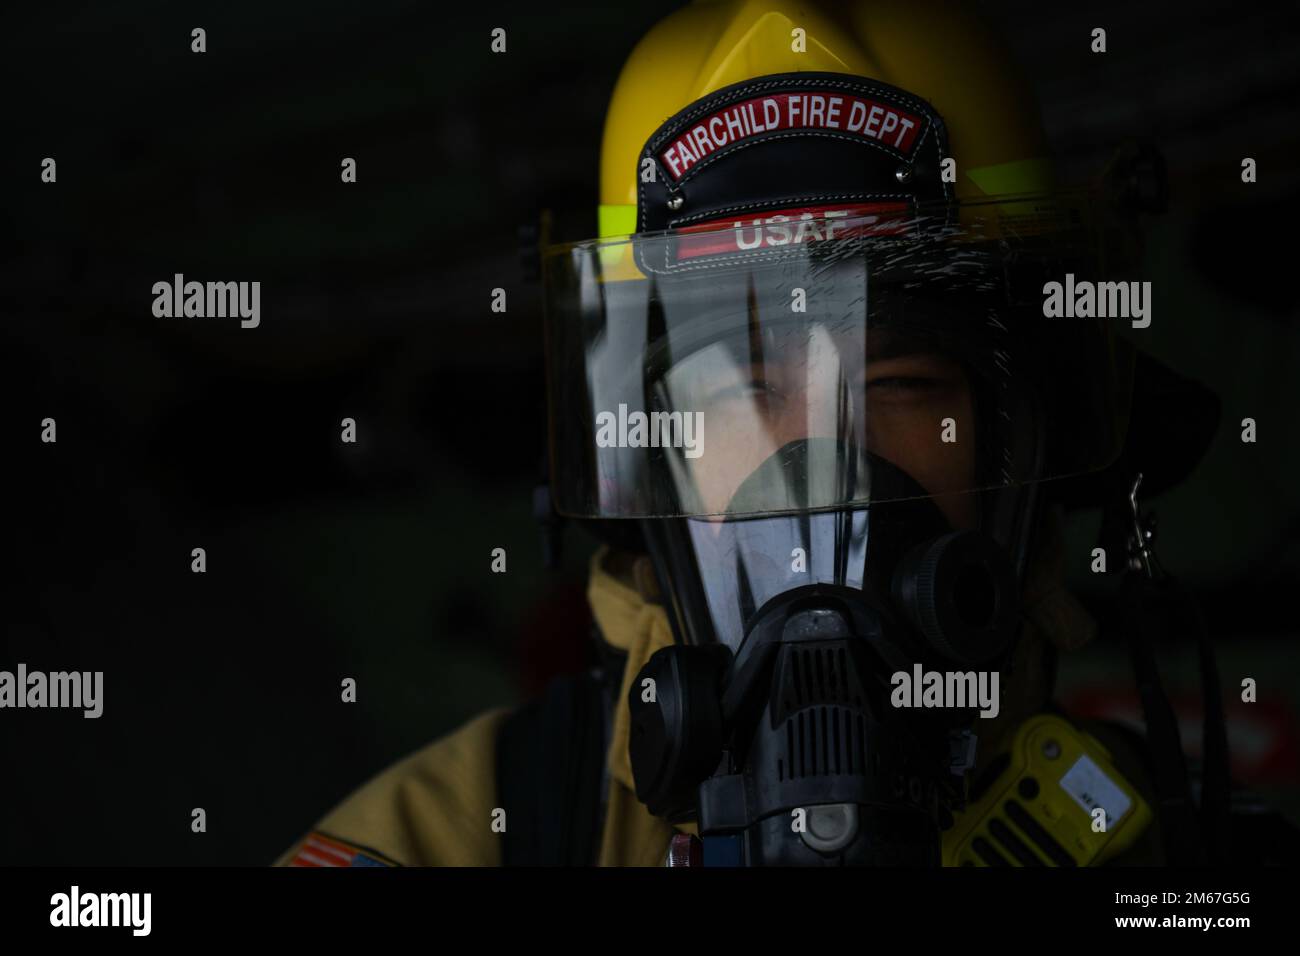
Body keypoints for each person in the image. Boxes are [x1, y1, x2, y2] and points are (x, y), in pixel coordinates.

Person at [276, 0, 1287, 868]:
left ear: (1022, 435)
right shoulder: (454, 840)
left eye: (893, 382)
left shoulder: (1174, 862)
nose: (815, 473)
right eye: (739, 391)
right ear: (651, 455)